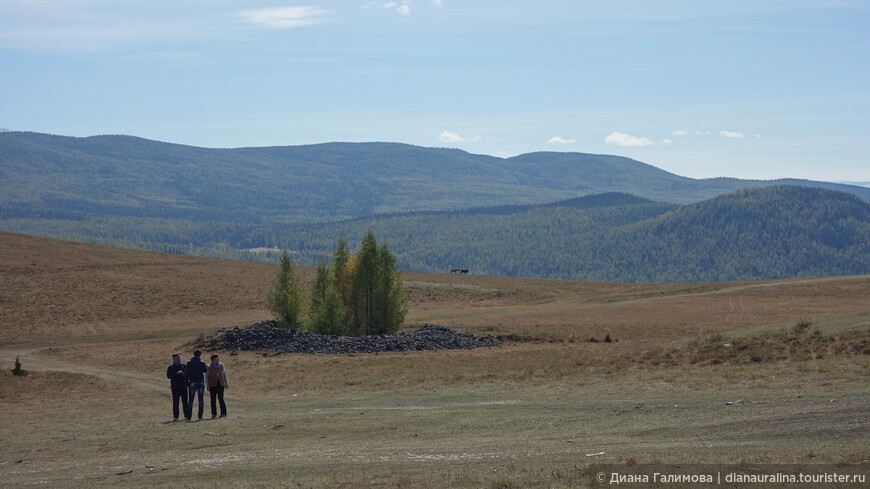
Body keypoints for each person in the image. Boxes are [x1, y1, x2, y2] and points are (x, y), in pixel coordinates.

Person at [166, 352, 190, 421]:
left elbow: (187, 375)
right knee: (176, 402)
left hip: (183, 386)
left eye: (179, 358)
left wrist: (188, 384)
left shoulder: (184, 366)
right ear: (173, 359)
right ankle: (175, 417)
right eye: (177, 358)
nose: (178, 359)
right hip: (175, 387)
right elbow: (168, 376)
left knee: (185, 401)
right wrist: (176, 373)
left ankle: (186, 416)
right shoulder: (171, 367)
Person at [186, 349, 208, 421]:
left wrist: (187, 382)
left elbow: (186, 373)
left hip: (192, 381)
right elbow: (205, 370)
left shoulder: (189, 363)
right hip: (200, 381)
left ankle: (189, 417)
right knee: (201, 400)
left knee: (191, 400)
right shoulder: (202, 362)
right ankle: (200, 416)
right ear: (200, 354)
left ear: (194, 354)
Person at [207, 354, 229, 419]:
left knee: (221, 398)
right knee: (213, 400)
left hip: (220, 384)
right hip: (212, 385)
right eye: (217, 358)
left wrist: (226, 383)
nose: (218, 359)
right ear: (213, 359)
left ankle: (223, 413)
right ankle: (214, 414)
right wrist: (207, 386)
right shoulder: (208, 367)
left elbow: (224, 374)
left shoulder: (221, 365)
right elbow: (206, 377)